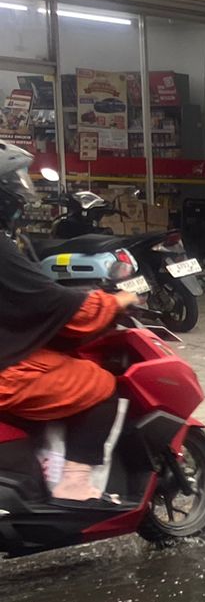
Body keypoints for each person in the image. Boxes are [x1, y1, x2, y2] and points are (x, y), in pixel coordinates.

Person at [0, 142, 140, 501]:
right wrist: (113, 302)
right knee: (101, 385)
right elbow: (53, 303)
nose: (21, 194)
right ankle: (74, 484)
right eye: (14, 183)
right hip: (8, 371)